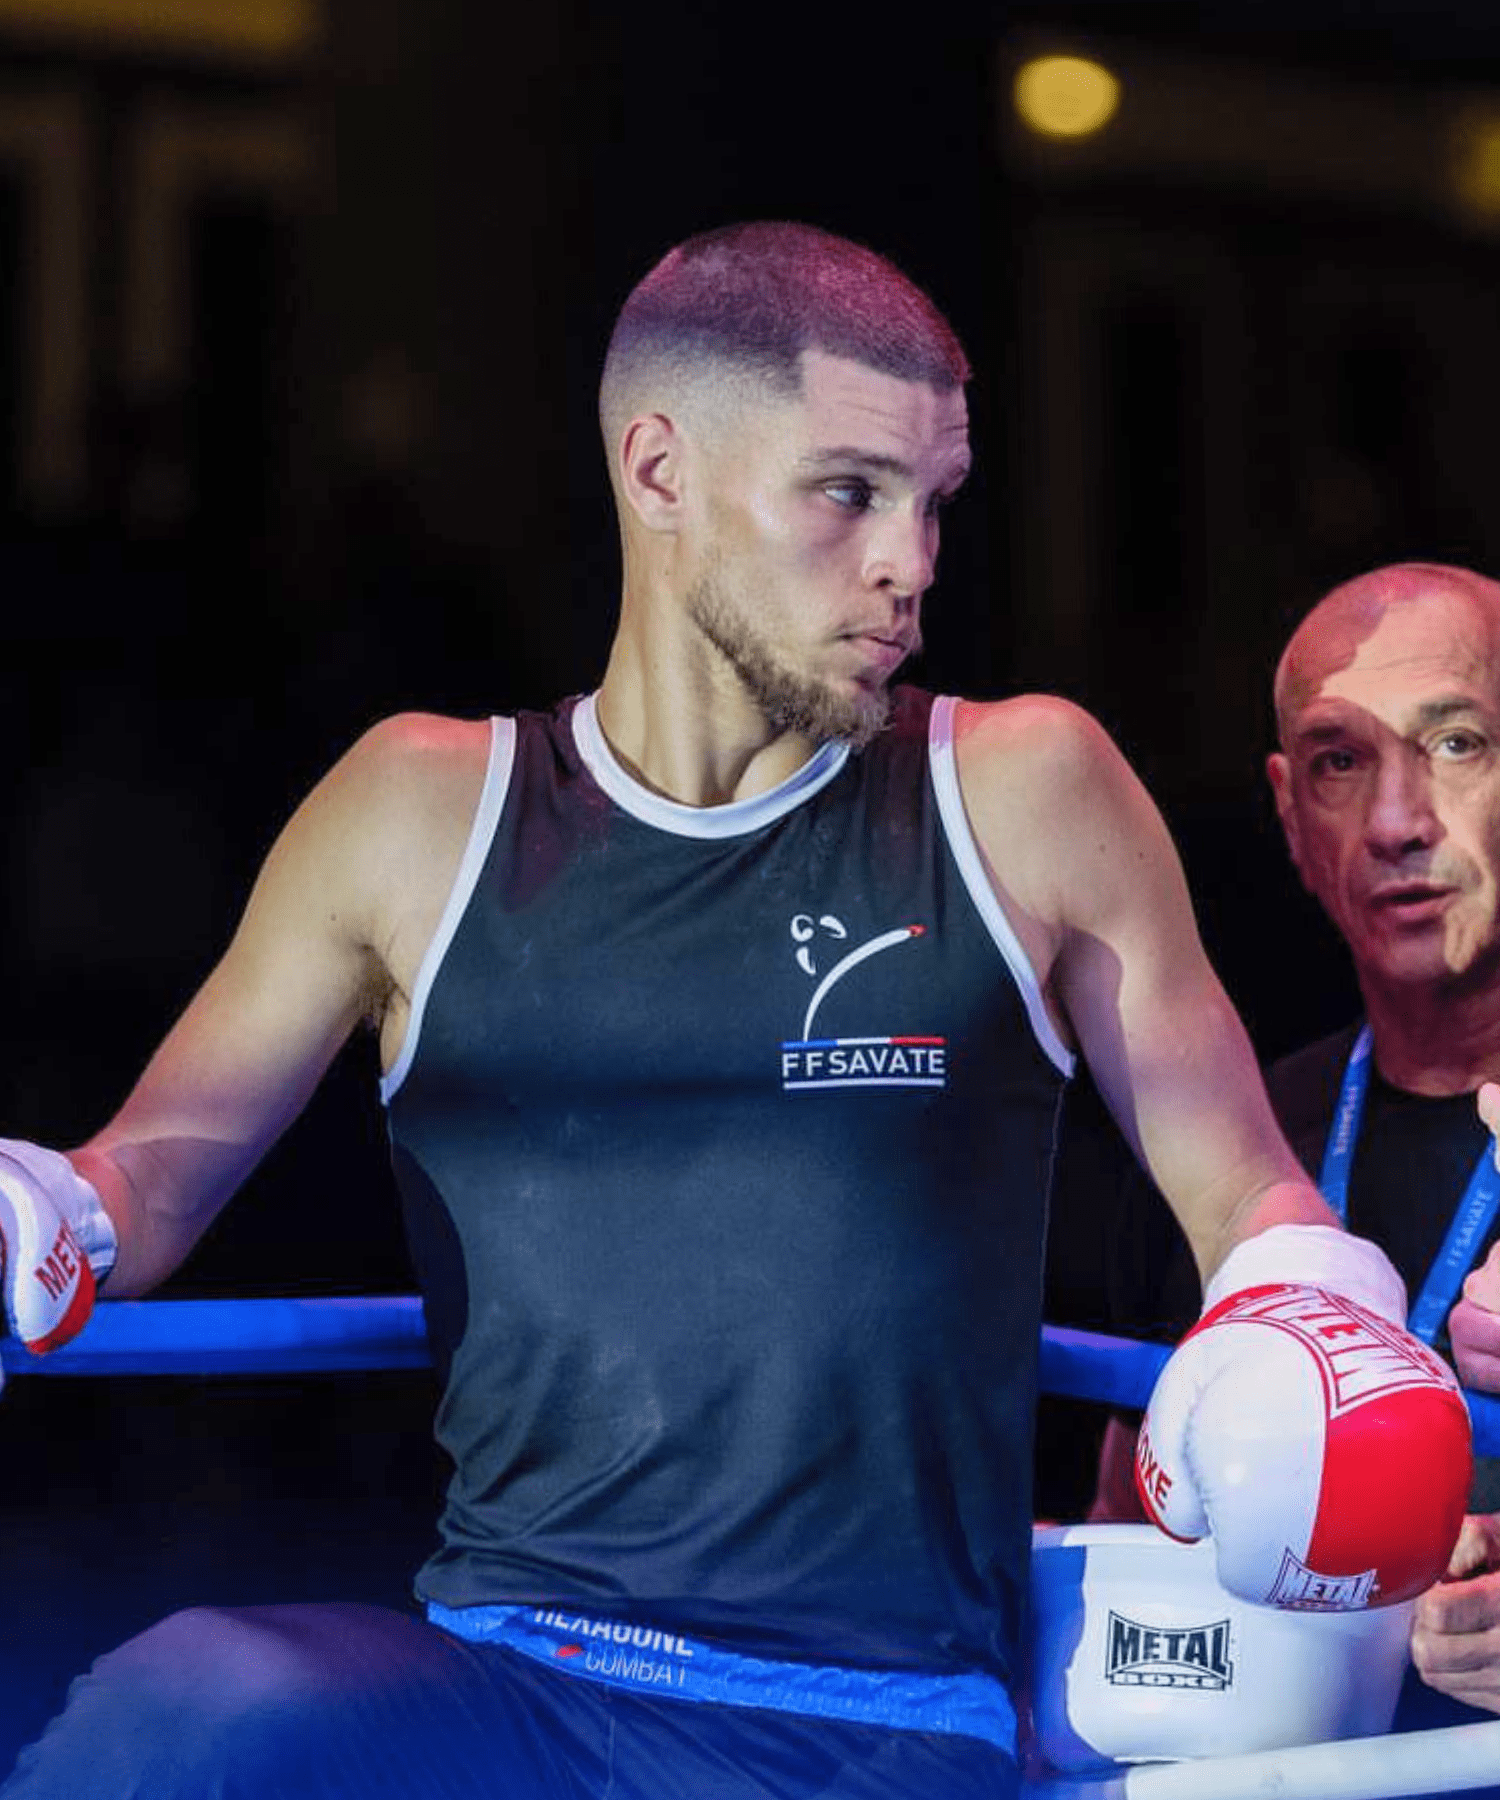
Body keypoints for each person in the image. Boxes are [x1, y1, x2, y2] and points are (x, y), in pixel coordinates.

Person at [0, 226, 1473, 1800]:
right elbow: (146, 1173)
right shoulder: (420, 811)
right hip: (511, 1676)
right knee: (199, 1700)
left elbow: (1247, 1189)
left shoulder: (1020, 790)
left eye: (935, 501)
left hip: (873, 1728)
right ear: (660, 471)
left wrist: (1305, 1311)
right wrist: (43, 1210)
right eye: (848, 493)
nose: (911, 560)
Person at [1090, 560, 1500, 1722]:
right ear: (1287, 814)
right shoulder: (1220, 1146)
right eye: (1339, 761)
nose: (1395, 822)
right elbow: (1126, 1536)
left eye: (1457, 744)